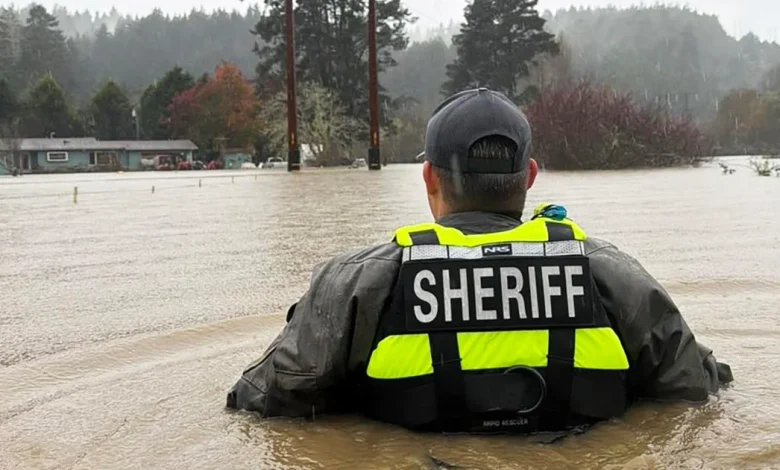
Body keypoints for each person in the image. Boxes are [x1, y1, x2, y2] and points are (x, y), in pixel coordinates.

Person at [226, 88, 733, 434]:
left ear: (428, 177)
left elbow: (257, 403)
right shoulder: (613, 274)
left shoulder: (355, 284)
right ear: (530, 176)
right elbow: (698, 389)